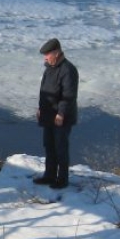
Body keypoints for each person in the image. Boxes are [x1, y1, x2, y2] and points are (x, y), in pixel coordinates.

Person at [34, 38, 78, 189]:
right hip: (48, 115)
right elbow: (44, 91)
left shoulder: (68, 70)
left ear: (57, 53)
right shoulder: (49, 68)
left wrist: (61, 114)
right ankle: (49, 175)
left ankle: (62, 179)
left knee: (60, 147)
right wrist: (41, 108)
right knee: (49, 146)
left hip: (61, 117)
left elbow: (69, 96)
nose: (45, 58)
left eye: (47, 54)